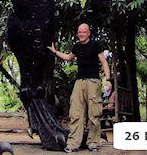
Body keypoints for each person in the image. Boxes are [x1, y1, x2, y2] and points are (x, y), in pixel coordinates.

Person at [48, 23, 112, 152]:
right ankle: (73, 144)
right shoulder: (77, 47)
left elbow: (104, 62)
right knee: (75, 112)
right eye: (79, 32)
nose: (81, 34)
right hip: (80, 81)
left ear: (88, 33)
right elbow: (69, 58)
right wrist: (55, 52)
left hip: (93, 81)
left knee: (94, 112)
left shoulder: (95, 45)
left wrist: (108, 80)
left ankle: (93, 142)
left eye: (83, 32)